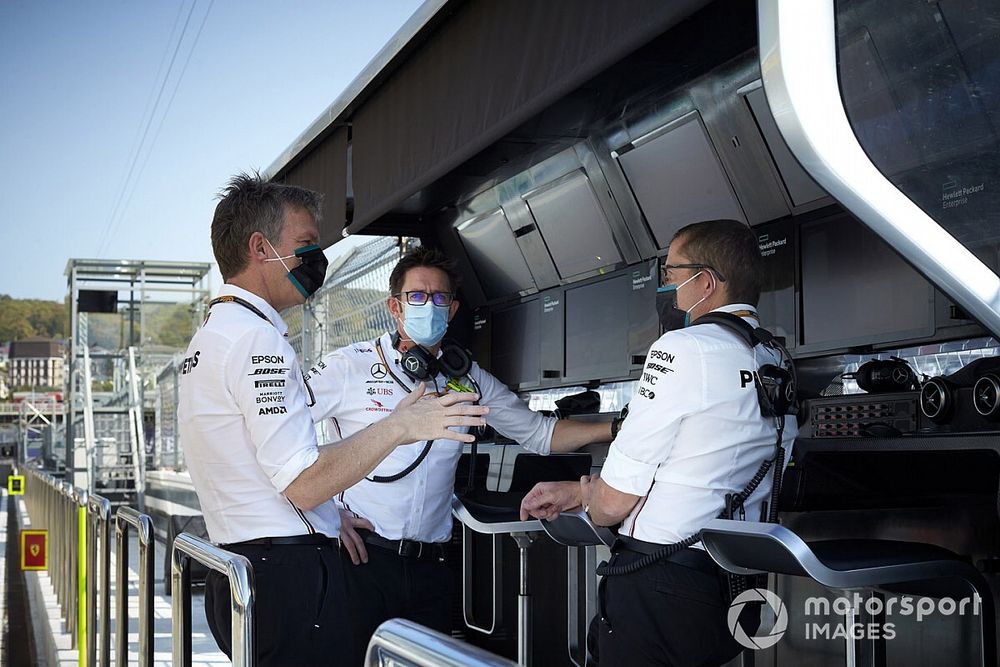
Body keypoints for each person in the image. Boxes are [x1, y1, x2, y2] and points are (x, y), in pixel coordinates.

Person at [178, 174, 488, 666]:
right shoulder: (259, 341)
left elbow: (258, 466)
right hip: (286, 581)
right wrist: (400, 426)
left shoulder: (210, 338)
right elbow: (302, 483)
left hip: (241, 569)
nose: (315, 258)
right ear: (260, 248)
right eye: (305, 245)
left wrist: (328, 515)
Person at [305, 246, 615, 661]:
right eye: (417, 296)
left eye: (439, 298)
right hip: (360, 559)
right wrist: (322, 512)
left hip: (431, 568)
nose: (428, 305)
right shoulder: (348, 367)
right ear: (394, 307)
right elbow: (283, 441)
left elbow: (541, 434)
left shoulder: (466, 377)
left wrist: (615, 427)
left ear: (451, 310)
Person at [520, 219, 798, 667]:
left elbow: (613, 504)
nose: (665, 286)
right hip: (731, 584)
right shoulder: (775, 356)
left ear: (704, 282)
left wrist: (593, 496)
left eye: (669, 274)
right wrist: (580, 491)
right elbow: (701, 468)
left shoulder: (679, 348)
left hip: (661, 585)